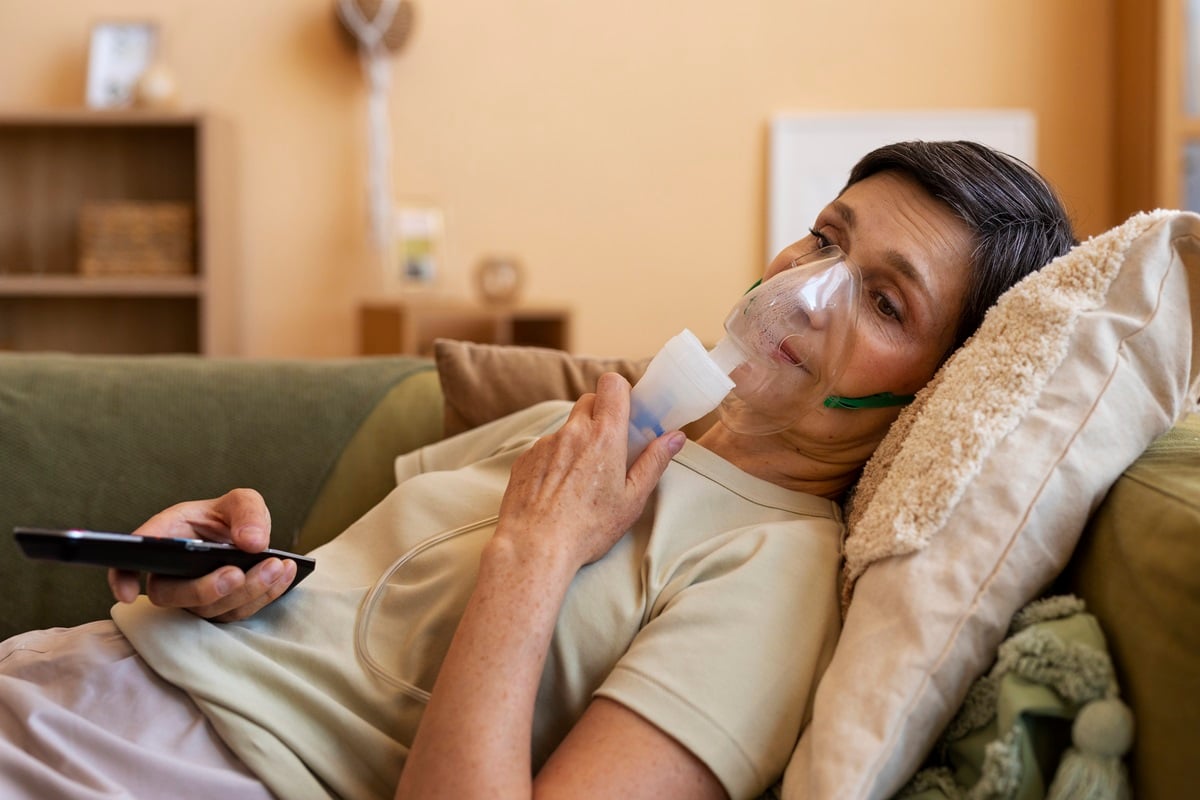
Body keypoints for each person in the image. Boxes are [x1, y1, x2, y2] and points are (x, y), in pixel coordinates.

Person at [0, 141, 1076, 800]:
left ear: (939, 386)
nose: (810, 289)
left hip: (162, 766)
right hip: (68, 680)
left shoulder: (775, 577)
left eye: (886, 301)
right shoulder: (602, 421)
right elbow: (344, 610)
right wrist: (219, 575)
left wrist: (539, 548)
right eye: (824, 238)